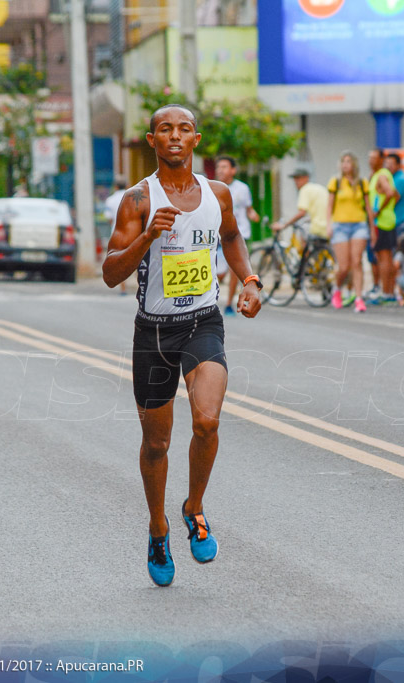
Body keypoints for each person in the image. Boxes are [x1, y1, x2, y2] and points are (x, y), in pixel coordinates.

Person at [101, 104, 262, 587]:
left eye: (184, 129)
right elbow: (111, 273)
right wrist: (148, 236)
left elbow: (231, 237)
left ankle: (194, 508)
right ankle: (158, 528)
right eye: (165, 129)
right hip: (153, 333)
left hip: (203, 323)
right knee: (157, 443)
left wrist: (249, 279)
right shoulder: (137, 200)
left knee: (207, 422)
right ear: (152, 141)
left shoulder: (219, 194)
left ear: (196, 139)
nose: (175, 136)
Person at [215, 155, 260, 316]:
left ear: (233, 170)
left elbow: (249, 208)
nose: (220, 170)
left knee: (235, 271)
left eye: (224, 167)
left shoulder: (242, 188)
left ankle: (228, 304)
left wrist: (253, 215)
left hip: (239, 234)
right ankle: (211, 299)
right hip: (218, 236)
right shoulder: (213, 188)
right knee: (219, 273)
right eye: (218, 167)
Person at [326, 151, 371, 312]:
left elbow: (368, 207)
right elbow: (330, 205)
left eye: (349, 161)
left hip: (359, 224)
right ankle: (337, 289)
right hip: (340, 226)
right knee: (344, 266)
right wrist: (328, 225)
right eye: (343, 161)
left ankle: (359, 298)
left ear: (354, 165)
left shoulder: (362, 182)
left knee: (357, 262)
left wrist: (372, 228)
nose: (345, 165)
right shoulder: (336, 182)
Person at [367, 149, 400, 305]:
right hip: (386, 220)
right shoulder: (379, 175)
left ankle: (387, 292)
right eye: (369, 158)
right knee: (384, 257)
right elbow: (396, 195)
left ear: (381, 159)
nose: (371, 161)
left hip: (382, 222)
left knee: (384, 258)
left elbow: (391, 192)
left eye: (374, 158)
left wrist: (378, 210)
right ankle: (388, 291)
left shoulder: (381, 174)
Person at [271, 168, 328, 239]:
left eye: (298, 178)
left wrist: (285, 225)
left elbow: (301, 213)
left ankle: (306, 250)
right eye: (295, 179)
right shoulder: (318, 188)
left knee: (303, 233)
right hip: (329, 225)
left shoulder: (305, 189)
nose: (296, 181)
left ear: (306, 178)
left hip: (318, 227)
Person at [104, 179, 130, 294]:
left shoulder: (110, 200)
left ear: (115, 187)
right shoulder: (134, 197)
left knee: (121, 261)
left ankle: (123, 288)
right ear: (126, 185)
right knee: (138, 258)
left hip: (117, 234)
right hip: (134, 232)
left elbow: (109, 218)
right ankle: (141, 286)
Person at [384, 153, 404, 235]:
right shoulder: (391, 177)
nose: (388, 166)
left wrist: (379, 210)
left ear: (399, 165)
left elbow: (394, 199)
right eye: (387, 163)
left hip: (399, 220)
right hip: (392, 220)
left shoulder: (401, 179)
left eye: (391, 164)